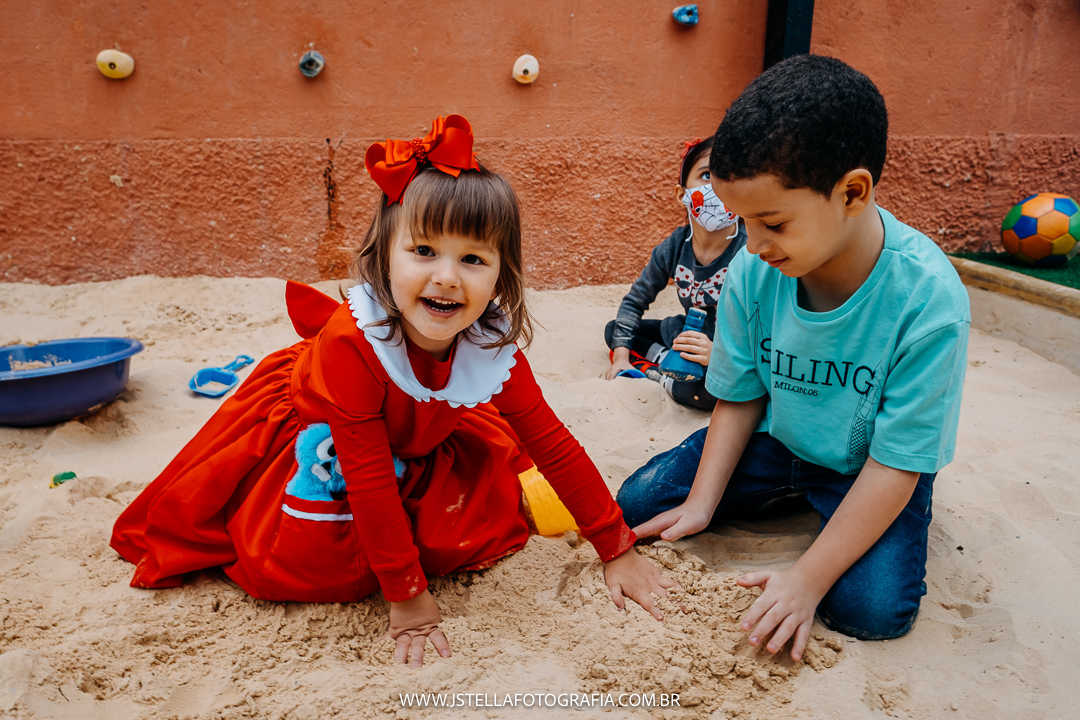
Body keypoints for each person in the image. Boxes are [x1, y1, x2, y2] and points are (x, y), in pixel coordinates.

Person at [111, 114, 679, 669]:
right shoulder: (351, 342)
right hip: (328, 428)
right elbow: (367, 473)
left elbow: (551, 440)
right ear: (384, 256)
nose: (447, 277)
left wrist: (616, 547)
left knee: (476, 523)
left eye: (473, 259)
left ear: (502, 277)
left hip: (416, 427)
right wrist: (407, 596)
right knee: (314, 565)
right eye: (424, 251)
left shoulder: (489, 341)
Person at [617, 56, 971, 660]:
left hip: (872, 469)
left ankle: (837, 519)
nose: (752, 244)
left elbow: (897, 463)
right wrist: (704, 503)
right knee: (641, 504)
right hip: (778, 440)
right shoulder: (755, 271)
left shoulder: (928, 301)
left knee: (871, 611)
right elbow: (741, 394)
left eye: (773, 222)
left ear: (852, 192)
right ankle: (782, 494)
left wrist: (806, 578)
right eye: (744, 221)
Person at [602, 136, 747, 410]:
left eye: (728, 175)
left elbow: (763, 329)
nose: (716, 187)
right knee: (615, 332)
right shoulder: (675, 246)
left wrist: (717, 354)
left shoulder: (750, 251)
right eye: (706, 174)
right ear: (682, 194)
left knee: (704, 393)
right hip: (683, 335)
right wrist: (620, 358)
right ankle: (666, 359)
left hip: (727, 353)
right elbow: (635, 301)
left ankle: (658, 375)